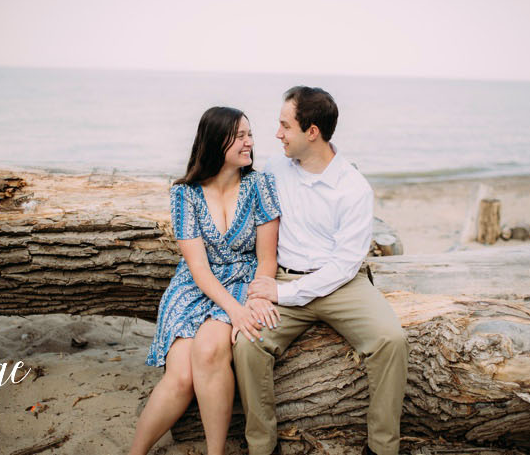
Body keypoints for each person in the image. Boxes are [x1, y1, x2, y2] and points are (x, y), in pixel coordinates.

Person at [235, 88, 407, 455]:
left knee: (391, 340)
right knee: (248, 344)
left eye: (285, 126)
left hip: (340, 284)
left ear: (312, 132)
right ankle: (262, 447)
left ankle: (381, 448)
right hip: (284, 275)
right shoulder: (276, 166)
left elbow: (345, 265)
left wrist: (280, 294)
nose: (277, 134)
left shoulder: (353, 188)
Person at [127, 106, 281, 455]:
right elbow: (198, 268)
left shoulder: (260, 185)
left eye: (250, 135)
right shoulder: (185, 194)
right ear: (216, 141)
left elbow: (267, 258)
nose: (249, 143)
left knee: (210, 350)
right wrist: (234, 312)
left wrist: (254, 301)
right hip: (195, 286)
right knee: (180, 377)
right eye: (240, 136)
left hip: (243, 278)